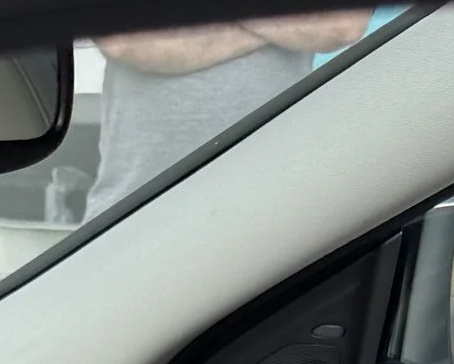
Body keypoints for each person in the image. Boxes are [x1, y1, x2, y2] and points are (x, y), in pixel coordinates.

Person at [84, 13, 373, 220]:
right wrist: (288, 10)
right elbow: (126, 40)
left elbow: (341, 23)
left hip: (270, 213)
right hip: (137, 212)